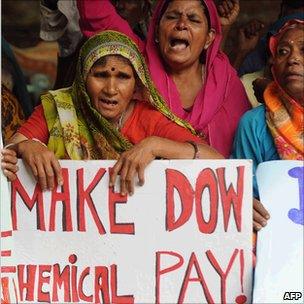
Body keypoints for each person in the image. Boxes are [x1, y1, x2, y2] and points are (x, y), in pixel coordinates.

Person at [1, 30, 222, 196]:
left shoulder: (147, 119)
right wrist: (25, 146)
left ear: (136, 84)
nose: (111, 89)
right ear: (82, 80)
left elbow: (217, 161)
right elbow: (7, 155)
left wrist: (155, 145)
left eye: (123, 77)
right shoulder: (59, 109)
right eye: (100, 75)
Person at [77, 0, 251, 158]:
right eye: (172, 17)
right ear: (156, 29)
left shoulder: (227, 82)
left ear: (209, 38)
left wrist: (157, 146)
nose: (182, 24)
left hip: (216, 189)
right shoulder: (136, 64)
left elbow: (247, 152)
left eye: (193, 19)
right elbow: (95, 12)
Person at [232, 19, 304, 230]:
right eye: (283, 52)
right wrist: (244, 205)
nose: (293, 59)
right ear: (273, 66)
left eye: (303, 50)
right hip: (279, 244)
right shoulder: (254, 124)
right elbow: (239, 193)